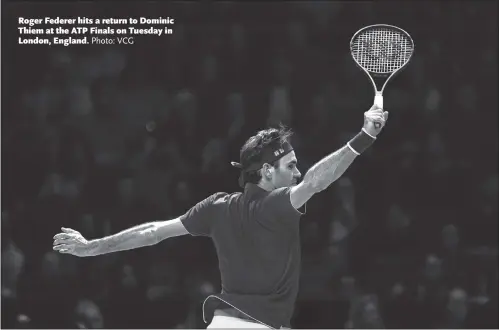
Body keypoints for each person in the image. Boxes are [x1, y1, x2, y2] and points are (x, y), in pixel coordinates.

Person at [53, 105, 388, 329]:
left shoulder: (216, 206)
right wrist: (365, 136)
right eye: (291, 166)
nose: (298, 173)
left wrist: (91, 247)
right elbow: (318, 180)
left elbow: (153, 231)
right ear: (267, 171)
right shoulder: (276, 205)